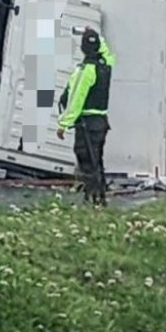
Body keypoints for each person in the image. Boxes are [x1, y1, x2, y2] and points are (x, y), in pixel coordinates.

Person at [57, 29, 115, 206]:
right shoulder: (106, 64)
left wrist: (64, 124)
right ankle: (101, 196)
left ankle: (93, 199)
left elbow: (76, 99)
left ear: (82, 48)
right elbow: (105, 49)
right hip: (102, 121)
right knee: (97, 159)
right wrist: (94, 34)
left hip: (87, 123)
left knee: (86, 159)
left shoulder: (86, 71)